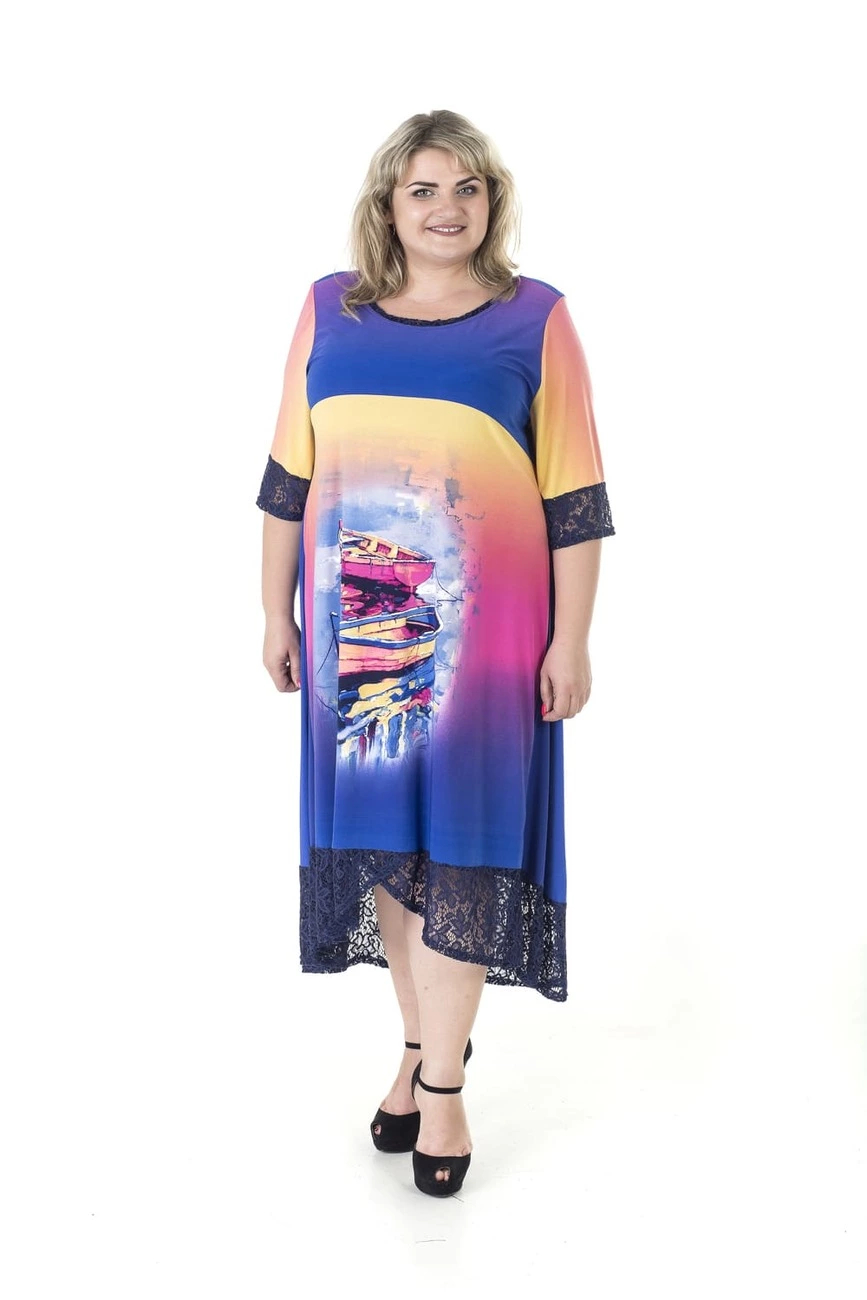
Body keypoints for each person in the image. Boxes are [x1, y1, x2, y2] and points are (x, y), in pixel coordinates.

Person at [256, 109, 616, 1197]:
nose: (446, 208)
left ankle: (446, 1086)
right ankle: (418, 1051)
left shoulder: (534, 318)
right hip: (360, 634)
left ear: (491, 203)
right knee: (387, 857)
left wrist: (572, 639)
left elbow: (576, 498)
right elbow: (286, 478)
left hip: (487, 646)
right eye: (423, 189)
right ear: (389, 204)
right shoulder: (330, 310)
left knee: (461, 853)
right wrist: (274, 613)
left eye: (467, 188)